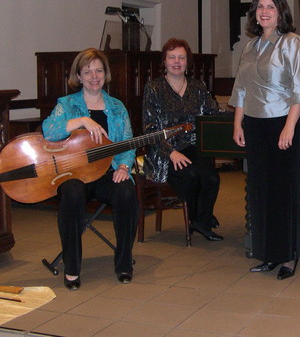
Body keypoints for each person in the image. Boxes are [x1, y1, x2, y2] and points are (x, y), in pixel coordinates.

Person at [229, 0, 300, 280]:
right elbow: (241, 88)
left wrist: (289, 127)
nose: (264, 12)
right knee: (260, 192)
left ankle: (288, 256)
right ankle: (267, 253)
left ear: (281, 12)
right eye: (260, 6)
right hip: (254, 123)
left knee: (282, 193)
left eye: (270, 7)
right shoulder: (250, 46)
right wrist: (238, 123)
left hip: (282, 122)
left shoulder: (292, 43)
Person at [42, 48, 138, 291]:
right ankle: (72, 268)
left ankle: (124, 262)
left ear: (106, 74)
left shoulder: (117, 107)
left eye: (98, 70)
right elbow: (49, 131)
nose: (94, 76)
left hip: (109, 171)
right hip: (75, 173)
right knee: (72, 194)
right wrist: (83, 121)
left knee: (127, 192)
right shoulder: (66, 104)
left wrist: (125, 166)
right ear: (79, 75)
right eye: (87, 71)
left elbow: (127, 143)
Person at [142, 38, 223, 241]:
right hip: (165, 151)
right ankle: (201, 220)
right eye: (172, 57)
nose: (177, 61)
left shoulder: (198, 86)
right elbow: (150, 128)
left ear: (188, 62)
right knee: (190, 176)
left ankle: (199, 220)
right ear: (164, 61)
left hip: (194, 146)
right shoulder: (154, 88)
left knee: (212, 177)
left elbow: (212, 114)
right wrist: (171, 152)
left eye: (181, 57)